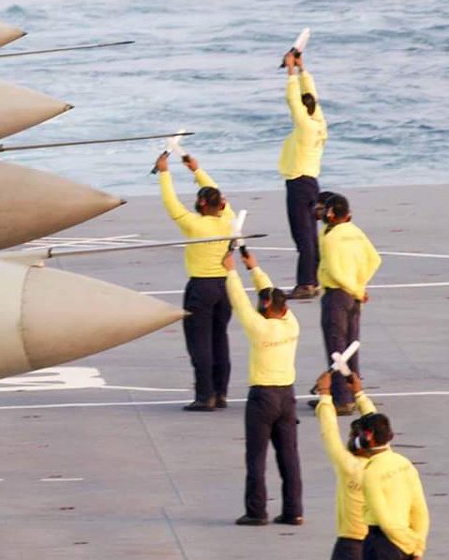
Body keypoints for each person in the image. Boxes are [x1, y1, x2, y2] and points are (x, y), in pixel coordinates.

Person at [226, 248, 302, 527]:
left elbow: (239, 301)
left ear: (268, 306)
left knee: (256, 457)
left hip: (263, 397)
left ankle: (257, 511)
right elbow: (269, 294)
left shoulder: (259, 329)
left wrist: (231, 270)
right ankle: (294, 510)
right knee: (289, 456)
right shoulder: (292, 324)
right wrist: (254, 268)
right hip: (287, 395)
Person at [154, 150, 235, 411]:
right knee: (220, 339)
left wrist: (164, 172)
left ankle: (205, 396)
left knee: (200, 344)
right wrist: (197, 171)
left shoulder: (194, 225)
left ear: (201, 204)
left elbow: (171, 203)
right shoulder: (229, 221)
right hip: (225, 286)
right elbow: (218, 196)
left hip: (201, 287)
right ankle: (221, 393)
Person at [315, 368, 378, 560]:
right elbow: (377, 426)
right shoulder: (383, 463)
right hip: (377, 549)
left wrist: (324, 394)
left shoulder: (348, 466)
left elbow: (329, 431)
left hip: (350, 548)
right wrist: (360, 395)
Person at [318, 194, 382, 414]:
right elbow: (375, 259)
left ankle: (341, 398)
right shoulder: (356, 232)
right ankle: (354, 393)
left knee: (336, 347)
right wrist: (360, 285)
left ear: (331, 213)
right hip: (355, 296)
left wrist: (354, 288)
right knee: (351, 346)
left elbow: (334, 272)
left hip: (337, 294)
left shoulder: (330, 237)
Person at [359, 412, 429, 560]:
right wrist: (416, 548)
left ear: (369, 436)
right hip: (406, 549)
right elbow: (420, 512)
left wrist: (406, 542)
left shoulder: (371, 472)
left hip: (382, 546)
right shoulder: (405, 464)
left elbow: (385, 521)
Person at [279, 51, 328, 299]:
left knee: (303, 236)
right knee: (310, 234)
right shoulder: (318, 122)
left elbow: (293, 101)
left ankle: (306, 283)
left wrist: (290, 72)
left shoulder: (306, 127)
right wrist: (303, 70)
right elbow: (312, 99)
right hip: (311, 182)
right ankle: (315, 279)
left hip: (298, 183)